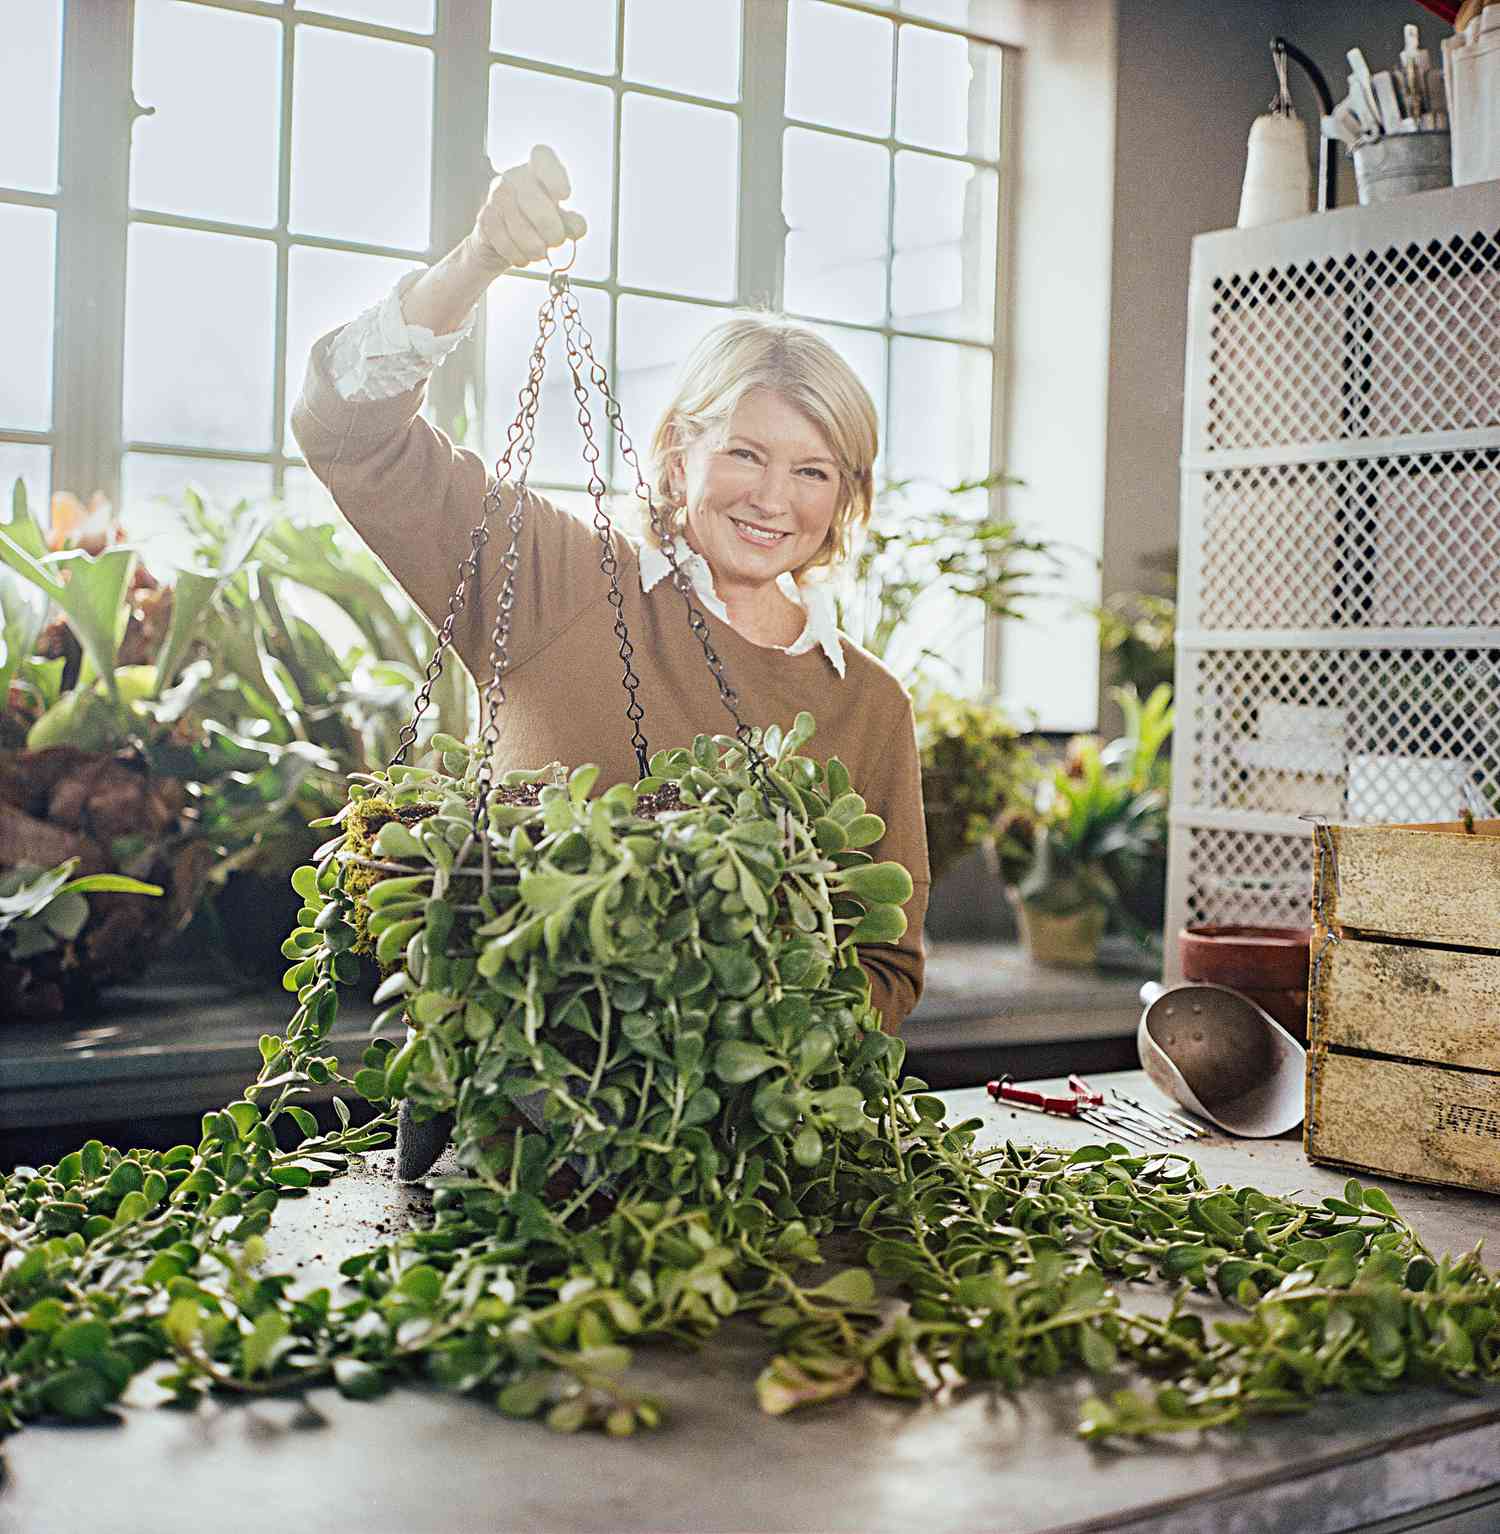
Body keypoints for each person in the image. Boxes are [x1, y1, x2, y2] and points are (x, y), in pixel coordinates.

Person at [291, 146, 931, 1178]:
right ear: (678, 454)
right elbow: (346, 430)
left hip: (730, 1172)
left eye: (812, 469)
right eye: (745, 454)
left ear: (845, 497)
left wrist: (738, 1055)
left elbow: (886, 966)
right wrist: (477, 260)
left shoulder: (868, 704)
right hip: (514, 1159)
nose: (775, 498)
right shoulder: (555, 580)